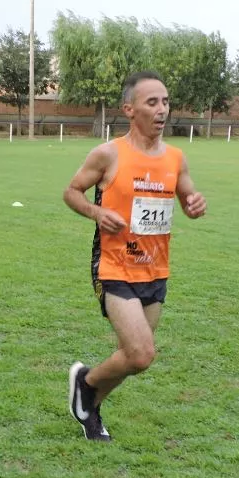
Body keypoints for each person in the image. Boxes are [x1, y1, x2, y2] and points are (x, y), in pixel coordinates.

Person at [62, 71, 207, 441]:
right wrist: (96, 212)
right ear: (129, 109)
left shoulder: (176, 158)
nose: (162, 110)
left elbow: (188, 197)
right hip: (114, 265)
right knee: (141, 354)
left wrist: (194, 205)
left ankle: (89, 405)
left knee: (128, 358)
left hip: (156, 268)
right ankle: (85, 383)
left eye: (166, 102)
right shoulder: (109, 154)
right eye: (152, 102)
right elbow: (72, 191)